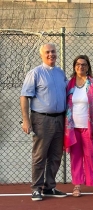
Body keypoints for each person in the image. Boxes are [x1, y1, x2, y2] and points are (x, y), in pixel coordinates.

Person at [20, 43, 67, 201]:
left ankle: (49, 187)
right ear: (41, 55)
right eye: (47, 52)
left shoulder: (61, 73)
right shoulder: (35, 73)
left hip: (60, 119)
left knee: (56, 155)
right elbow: (24, 96)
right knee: (40, 155)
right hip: (41, 119)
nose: (51, 54)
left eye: (53, 51)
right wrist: (26, 120)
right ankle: (36, 188)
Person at [63, 55, 93, 197]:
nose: (81, 67)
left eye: (84, 65)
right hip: (72, 128)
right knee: (75, 157)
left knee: (91, 156)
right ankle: (77, 185)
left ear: (88, 67)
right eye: (78, 64)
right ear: (75, 67)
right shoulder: (69, 85)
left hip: (90, 127)